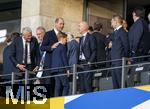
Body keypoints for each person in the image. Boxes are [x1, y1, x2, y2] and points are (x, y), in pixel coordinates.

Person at [40, 17, 65, 97]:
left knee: (58, 86)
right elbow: (42, 47)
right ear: (56, 23)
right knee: (49, 84)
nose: (62, 26)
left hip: (59, 65)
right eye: (60, 24)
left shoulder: (63, 35)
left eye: (63, 24)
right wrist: (51, 47)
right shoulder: (48, 34)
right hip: (49, 64)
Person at [128, 7, 150, 86]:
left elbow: (136, 38)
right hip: (141, 52)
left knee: (136, 74)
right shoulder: (144, 23)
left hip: (137, 53)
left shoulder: (139, 23)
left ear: (134, 14)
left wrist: (133, 51)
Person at [111, 15, 129, 89]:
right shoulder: (115, 32)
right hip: (114, 60)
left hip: (119, 60)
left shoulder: (122, 32)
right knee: (115, 83)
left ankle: (125, 97)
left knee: (120, 82)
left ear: (116, 21)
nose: (111, 23)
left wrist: (124, 59)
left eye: (112, 21)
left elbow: (126, 46)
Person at [78, 21, 96, 93]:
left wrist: (90, 62)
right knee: (81, 84)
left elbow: (94, 51)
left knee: (87, 83)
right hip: (80, 63)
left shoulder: (91, 37)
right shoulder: (81, 38)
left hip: (87, 63)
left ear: (85, 27)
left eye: (79, 26)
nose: (78, 28)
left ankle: (89, 100)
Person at [51, 32, 69, 96]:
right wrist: (67, 69)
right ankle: (64, 100)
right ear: (61, 38)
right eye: (65, 39)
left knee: (57, 86)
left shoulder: (54, 47)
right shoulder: (62, 47)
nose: (66, 41)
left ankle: (56, 101)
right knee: (66, 85)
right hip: (61, 69)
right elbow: (64, 58)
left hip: (54, 69)